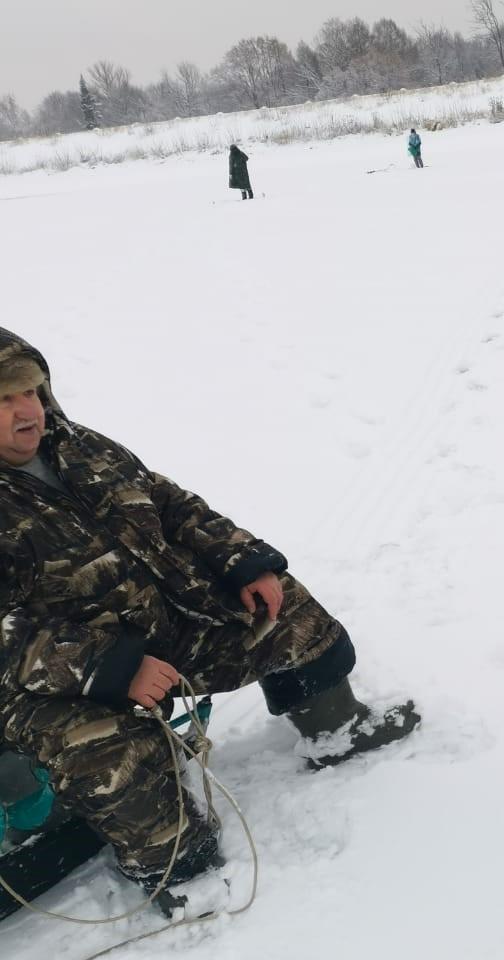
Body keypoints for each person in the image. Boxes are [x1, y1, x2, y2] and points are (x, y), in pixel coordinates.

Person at [0, 328, 419, 907]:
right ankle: (180, 868)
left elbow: (165, 502)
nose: (28, 411)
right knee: (107, 747)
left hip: (157, 628)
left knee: (282, 609)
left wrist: (240, 558)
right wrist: (112, 668)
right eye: (3, 399)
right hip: (49, 684)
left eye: (31, 391)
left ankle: (336, 728)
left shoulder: (78, 446)